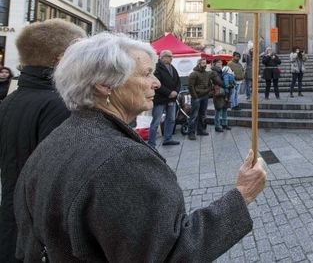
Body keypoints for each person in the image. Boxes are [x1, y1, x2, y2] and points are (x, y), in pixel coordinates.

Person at [13, 33, 267, 262]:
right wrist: (242, 195)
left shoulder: (55, 140)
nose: (156, 83)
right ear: (105, 84)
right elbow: (170, 253)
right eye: (146, 74)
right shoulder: (121, 160)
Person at [0, 19, 86, 263]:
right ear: (60, 60)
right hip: (41, 237)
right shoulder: (59, 105)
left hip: (13, 226)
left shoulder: (12, 100)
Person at [148, 49, 181, 147]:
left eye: (172, 56)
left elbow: (178, 81)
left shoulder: (172, 68)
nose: (171, 58)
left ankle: (168, 138)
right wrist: (169, 92)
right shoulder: (156, 68)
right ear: (162, 57)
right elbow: (156, 83)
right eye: (169, 56)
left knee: (171, 119)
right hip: (160, 99)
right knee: (156, 122)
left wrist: (176, 92)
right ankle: (151, 143)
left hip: (172, 99)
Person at [187, 58, 210, 140]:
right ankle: (191, 133)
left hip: (205, 96)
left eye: (205, 63)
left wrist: (208, 91)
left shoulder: (207, 73)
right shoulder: (194, 74)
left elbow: (209, 84)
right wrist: (195, 96)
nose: (205, 64)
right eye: (203, 63)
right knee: (194, 116)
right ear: (199, 64)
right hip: (197, 97)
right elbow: (190, 86)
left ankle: (200, 130)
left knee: (202, 114)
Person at [209, 59, 230, 133]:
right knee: (218, 109)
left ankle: (224, 124)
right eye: (218, 62)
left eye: (221, 62)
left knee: (224, 108)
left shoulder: (221, 71)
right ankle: (217, 126)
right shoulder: (213, 72)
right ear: (214, 64)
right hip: (218, 92)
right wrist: (226, 85)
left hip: (224, 92)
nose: (220, 64)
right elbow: (218, 81)